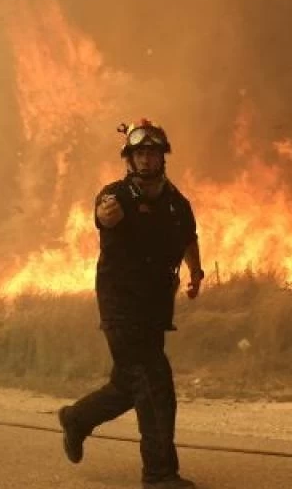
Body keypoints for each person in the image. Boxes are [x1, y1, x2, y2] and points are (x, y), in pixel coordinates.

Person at [58, 118, 204, 489]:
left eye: (152, 153)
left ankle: (77, 418)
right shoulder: (116, 196)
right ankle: (158, 474)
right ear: (130, 158)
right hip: (121, 308)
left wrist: (196, 272)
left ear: (162, 157)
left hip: (155, 310)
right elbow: (103, 214)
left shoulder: (176, 204)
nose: (145, 160)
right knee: (156, 384)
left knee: (128, 386)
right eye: (139, 153)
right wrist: (104, 215)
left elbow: (189, 238)